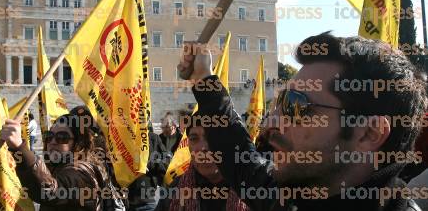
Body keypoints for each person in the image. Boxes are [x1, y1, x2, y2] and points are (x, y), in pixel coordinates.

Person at [177, 32, 426, 210]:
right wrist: (203, 78)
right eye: (280, 101)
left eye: (295, 105)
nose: (271, 122)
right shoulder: (289, 196)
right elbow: (238, 155)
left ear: (370, 134)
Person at [1, 111, 116, 210]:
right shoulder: (60, 165)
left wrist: (19, 147)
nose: (53, 141)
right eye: (49, 136)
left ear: (78, 143)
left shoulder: (80, 173)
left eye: (62, 137)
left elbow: (50, 192)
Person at [156, 112, 250, 211]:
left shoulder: (254, 187)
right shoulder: (176, 188)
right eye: (194, 138)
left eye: (213, 137)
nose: (202, 148)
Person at [127, 123, 169, 211]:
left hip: (148, 201)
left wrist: (148, 164)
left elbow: (166, 162)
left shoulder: (153, 138)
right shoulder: (122, 138)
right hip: (126, 202)